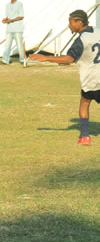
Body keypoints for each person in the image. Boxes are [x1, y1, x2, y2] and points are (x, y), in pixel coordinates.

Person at [30, 9, 96, 145]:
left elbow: (69, 59)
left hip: (92, 80)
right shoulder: (98, 31)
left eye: (71, 22)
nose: (69, 25)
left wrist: (45, 58)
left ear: (79, 22)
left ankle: (85, 137)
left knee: (85, 102)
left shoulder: (82, 40)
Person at [1, 0, 25, 64]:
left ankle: (22, 59)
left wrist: (11, 20)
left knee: (19, 45)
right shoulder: (7, 5)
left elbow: (21, 16)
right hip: (9, 29)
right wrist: (5, 20)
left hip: (17, 29)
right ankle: (5, 60)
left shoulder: (20, 4)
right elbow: (8, 17)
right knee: (7, 45)